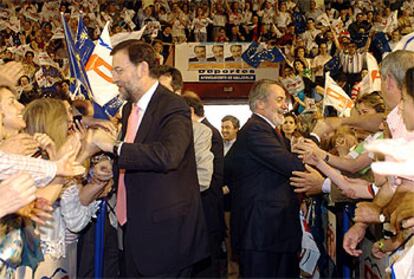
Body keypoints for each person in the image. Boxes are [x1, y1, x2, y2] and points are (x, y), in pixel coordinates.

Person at [94, 40, 209, 277]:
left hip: (167, 236)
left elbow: (169, 155)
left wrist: (113, 147)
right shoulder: (128, 110)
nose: (114, 78)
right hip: (135, 230)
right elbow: (135, 155)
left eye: (119, 70)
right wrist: (112, 164)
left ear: (142, 68)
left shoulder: (174, 105)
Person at [225, 79, 305, 277]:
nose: (285, 106)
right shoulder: (255, 131)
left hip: (273, 233)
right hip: (261, 233)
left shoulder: (269, 132)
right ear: (260, 103)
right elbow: (292, 166)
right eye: (279, 100)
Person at [181, 92, 225, 277]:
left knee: (207, 261)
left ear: (190, 111)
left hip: (206, 204)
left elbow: (210, 176)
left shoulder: (206, 132)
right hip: (201, 205)